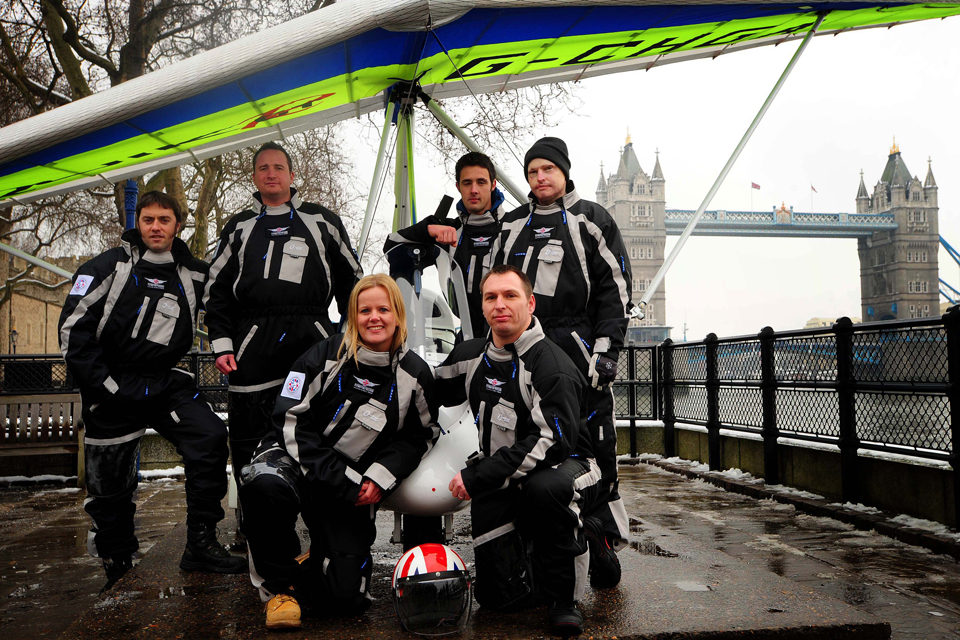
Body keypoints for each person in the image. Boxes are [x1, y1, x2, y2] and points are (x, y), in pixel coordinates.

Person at [58, 190, 245, 589]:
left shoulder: (196, 272)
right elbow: (73, 332)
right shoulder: (106, 266)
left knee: (210, 436)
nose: (156, 227)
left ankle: (200, 543)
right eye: (148, 220)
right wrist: (105, 385)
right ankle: (117, 560)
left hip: (164, 380)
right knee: (109, 481)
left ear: (179, 224)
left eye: (164, 219)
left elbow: (230, 303)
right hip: (112, 384)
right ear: (137, 224)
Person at [238, 274, 439, 630]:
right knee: (261, 484)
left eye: (383, 309)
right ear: (352, 316)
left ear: (398, 315)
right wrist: (342, 480)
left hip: (354, 482)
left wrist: (381, 475)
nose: (374, 318)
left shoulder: (415, 374)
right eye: (364, 310)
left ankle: (314, 560)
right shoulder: (320, 356)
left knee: (344, 601)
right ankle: (278, 588)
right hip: (295, 458)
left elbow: (420, 436)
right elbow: (288, 417)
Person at [490, 137, 631, 588]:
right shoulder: (511, 225)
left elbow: (615, 289)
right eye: (532, 172)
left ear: (565, 172)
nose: (540, 178)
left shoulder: (592, 219)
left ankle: (603, 537)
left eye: (548, 169)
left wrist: (606, 352)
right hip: (522, 354)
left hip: (580, 357)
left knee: (595, 448)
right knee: (531, 445)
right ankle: (538, 551)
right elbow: (492, 289)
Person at [203, 142, 362, 543]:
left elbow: (352, 284)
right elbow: (215, 292)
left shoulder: (321, 221)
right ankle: (255, 527)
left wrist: (348, 336)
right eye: (262, 168)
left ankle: (324, 523)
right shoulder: (238, 226)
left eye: (278, 167)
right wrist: (222, 343)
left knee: (319, 426)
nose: (270, 174)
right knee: (249, 435)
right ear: (254, 177)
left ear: (292, 176)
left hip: (312, 338)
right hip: (252, 345)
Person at [435, 265, 601, 637]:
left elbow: (550, 443)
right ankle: (548, 550)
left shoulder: (551, 365)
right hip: (504, 473)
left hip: (568, 466)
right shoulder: (471, 356)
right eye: (491, 297)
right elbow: (424, 390)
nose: (500, 305)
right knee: (498, 599)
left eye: (510, 296)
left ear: (530, 303)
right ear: (482, 306)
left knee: (547, 489)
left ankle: (567, 593)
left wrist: (477, 477)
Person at [384, 151, 505, 337]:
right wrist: (428, 229)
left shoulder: (513, 227)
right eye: (467, 183)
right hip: (466, 337)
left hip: (508, 335)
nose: (474, 190)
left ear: (493, 184)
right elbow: (392, 246)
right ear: (458, 187)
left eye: (481, 182)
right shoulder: (449, 232)